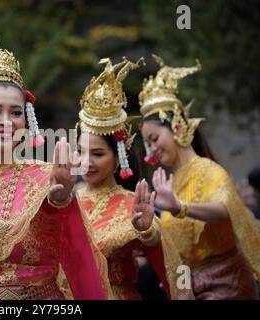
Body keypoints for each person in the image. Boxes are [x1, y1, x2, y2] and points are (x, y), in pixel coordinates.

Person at [0, 30, 109, 300]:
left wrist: (62, 203)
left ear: (26, 122)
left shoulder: (45, 178)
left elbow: (77, 256)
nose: (6, 121)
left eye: (16, 113)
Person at [139, 55, 260, 299]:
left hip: (227, 282)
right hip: (189, 286)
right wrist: (146, 228)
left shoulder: (207, 170)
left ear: (177, 128)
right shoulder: (171, 182)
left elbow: (226, 208)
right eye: (147, 143)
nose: (151, 149)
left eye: (154, 139)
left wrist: (179, 207)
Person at [74, 57, 192, 299]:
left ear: (118, 159)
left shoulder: (134, 205)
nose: (86, 161)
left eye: (97, 154)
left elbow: (168, 263)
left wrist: (148, 232)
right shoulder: (67, 201)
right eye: (80, 151)